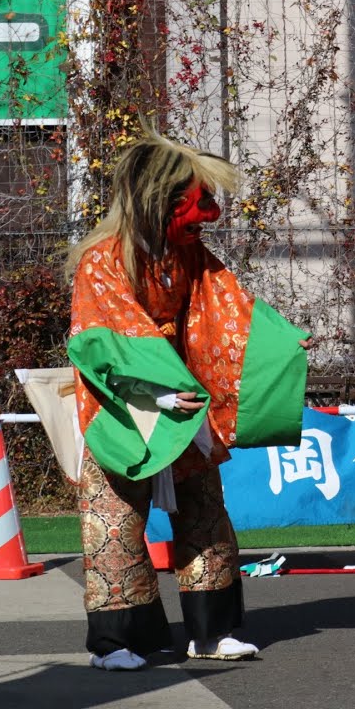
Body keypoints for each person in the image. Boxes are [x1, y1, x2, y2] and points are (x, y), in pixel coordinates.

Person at [63, 129, 311, 670]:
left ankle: (210, 630)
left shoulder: (192, 256)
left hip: (186, 401)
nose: (211, 215)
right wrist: (157, 382)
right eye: (200, 203)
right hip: (124, 407)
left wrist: (275, 346)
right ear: (159, 201)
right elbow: (109, 334)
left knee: (205, 515)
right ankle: (117, 641)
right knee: (114, 522)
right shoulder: (102, 261)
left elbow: (230, 315)